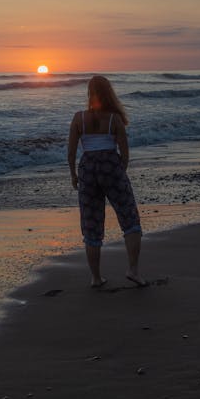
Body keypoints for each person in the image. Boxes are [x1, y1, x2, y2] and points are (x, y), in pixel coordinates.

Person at [67, 75, 146, 289]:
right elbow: (125, 153)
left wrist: (74, 174)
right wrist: (120, 172)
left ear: (89, 92)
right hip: (111, 166)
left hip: (88, 169)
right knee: (129, 216)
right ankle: (133, 270)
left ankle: (96, 277)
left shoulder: (78, 118)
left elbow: (72, 151)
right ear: (109, 92)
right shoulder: (114, 119)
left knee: (91, 223)